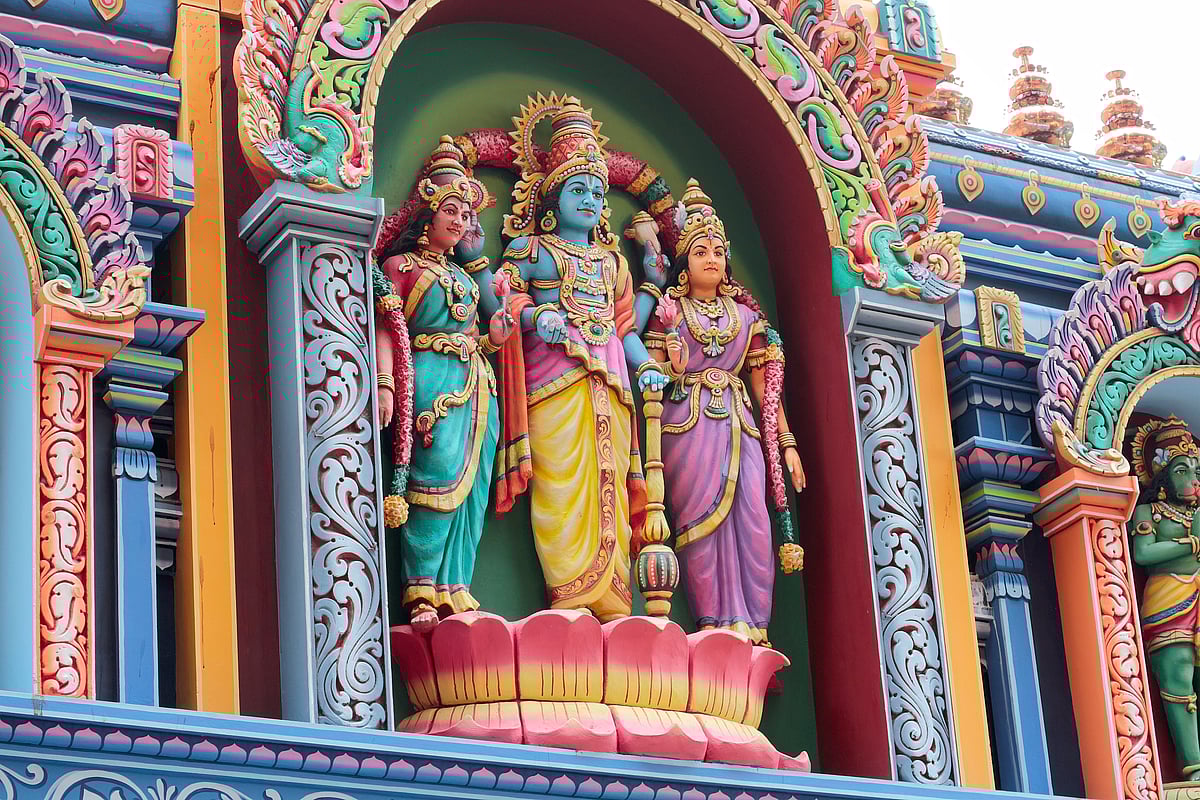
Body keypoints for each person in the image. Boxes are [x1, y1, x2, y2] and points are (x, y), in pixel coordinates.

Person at [645, 179, 805, 645]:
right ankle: (713, 622)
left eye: (718, 249)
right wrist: (671, 365)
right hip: (687, 425)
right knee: (699, 523)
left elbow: (766, 394)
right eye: (700, 251)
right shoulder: (669, 310)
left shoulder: (747, 318)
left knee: (753, 517)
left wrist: (787, 444)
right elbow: (654, 374)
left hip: (741, 424)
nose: (711, 257)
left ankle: (754, 625)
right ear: (684, 263)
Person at [373, 136, 514, 632]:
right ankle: (420, 590)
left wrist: (495, 337)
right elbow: (387, 328)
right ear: (427, 213)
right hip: (431, 380)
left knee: (472, 487)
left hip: (476, 384)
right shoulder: (400, 267)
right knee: (434, 478)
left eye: (466, 215)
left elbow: (477, 330)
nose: (459, 221)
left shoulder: (464, 275)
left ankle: (455, 587)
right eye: (450, 210)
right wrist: (387, 384)